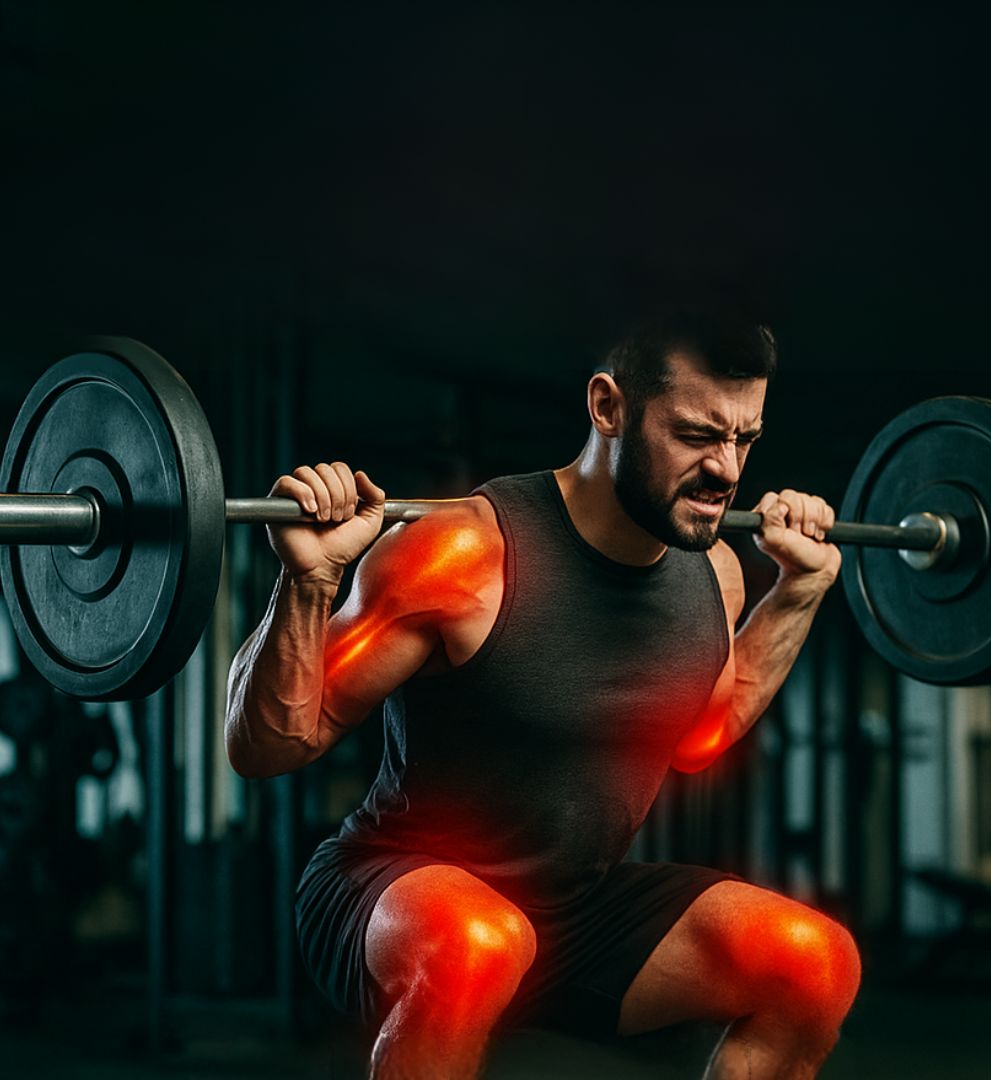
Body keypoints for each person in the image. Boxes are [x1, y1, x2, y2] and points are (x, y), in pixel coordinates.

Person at [225, 311, 861, 1079]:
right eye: (697, 436)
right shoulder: (462, 555)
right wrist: (310, 580)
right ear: (609, 407)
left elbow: (701, 737)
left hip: (575, 909)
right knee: (480, 944)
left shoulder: (714, 576)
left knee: (815, 962)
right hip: (393, 888)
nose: (728, 469)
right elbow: (268, 746)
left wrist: (798, 592)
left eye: (744, 440)